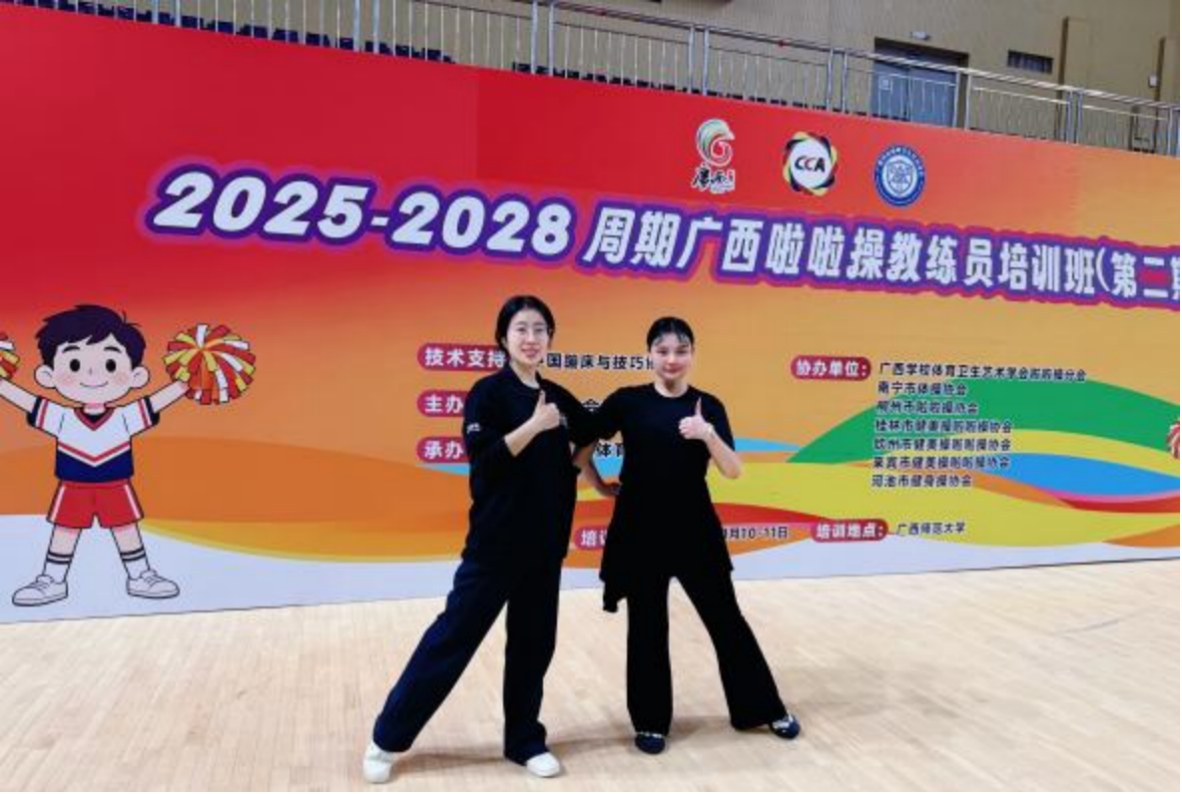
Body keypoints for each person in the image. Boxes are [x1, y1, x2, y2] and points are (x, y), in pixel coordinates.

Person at [364, 295, 598, 783]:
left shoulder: (559, 396)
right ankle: (387, 738)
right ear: (503, 339)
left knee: (533, 646)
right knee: (452, 639)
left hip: (545, 545)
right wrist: (533, 426)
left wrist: (579, 473)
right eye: (521, 329)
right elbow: (485, 462)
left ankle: (524, 741)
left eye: (540, 329)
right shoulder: (487, 393)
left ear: (550, 338)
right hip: (495, 545)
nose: (531, 338)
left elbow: (592, 431)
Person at [577, 317, 802, 756]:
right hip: (640, 529)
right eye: (663, 351)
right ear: (649, 354)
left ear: (692, 354)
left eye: (681, 351)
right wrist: (600, 484)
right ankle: (650, 722)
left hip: (695, 528)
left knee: (726, 620)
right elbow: (582, 445)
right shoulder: (627, 401)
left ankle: (762, 708)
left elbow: (733, 470)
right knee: (647, 626)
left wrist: (707, 433)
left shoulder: (707, 405)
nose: (672, 360)